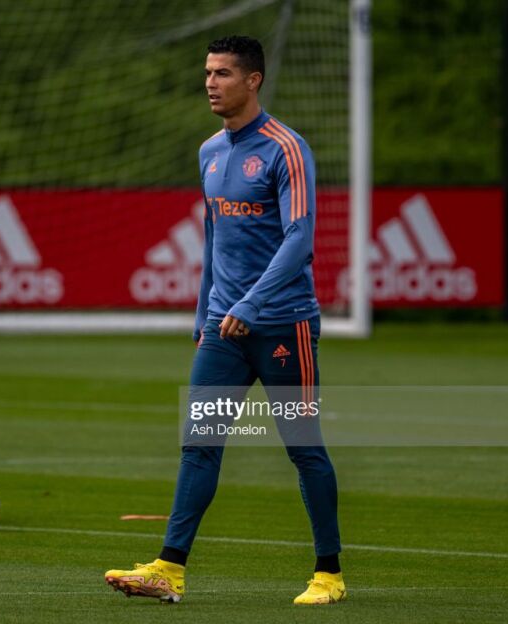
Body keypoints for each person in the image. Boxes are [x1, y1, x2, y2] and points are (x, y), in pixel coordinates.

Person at [104, 35, 344, 606]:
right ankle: (169, 569)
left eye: (223, 73)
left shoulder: (287, 149)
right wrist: (204, 316)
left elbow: (299, 239)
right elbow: (215, 240)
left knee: (303, 449)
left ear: (253, 80)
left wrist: (250, 305)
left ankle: (329, 575)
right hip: (223, 330)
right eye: (208, 72)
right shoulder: (210, 151)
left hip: (283, 325)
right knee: (199, 445)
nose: (211, 83)